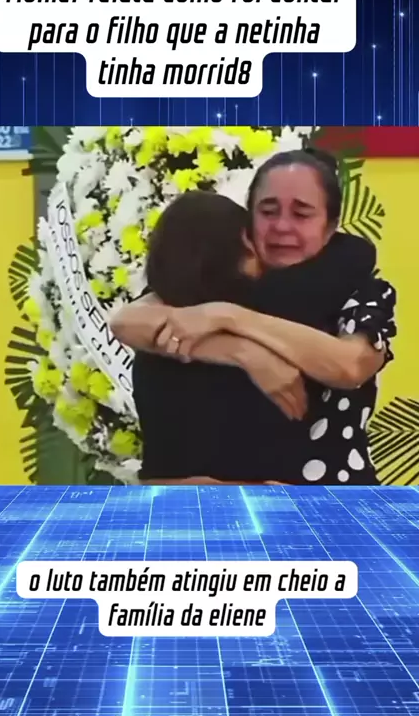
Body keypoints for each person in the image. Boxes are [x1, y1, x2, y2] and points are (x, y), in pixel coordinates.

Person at [111, 150, 397, 485]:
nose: (282, 227)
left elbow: (350, 365)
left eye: (302, 214)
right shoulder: (213, 282)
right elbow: (127, 321)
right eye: (268, 211)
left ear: (330, 225)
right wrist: (245, 353)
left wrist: (230, 317)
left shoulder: (357, 286)